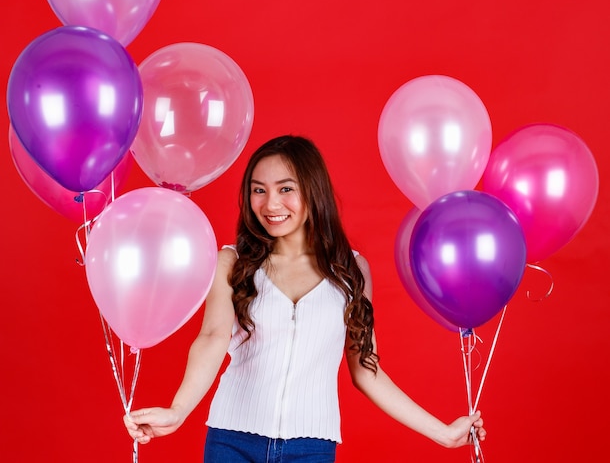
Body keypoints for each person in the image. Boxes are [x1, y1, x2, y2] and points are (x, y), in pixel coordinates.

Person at [124, 135, 486, 462]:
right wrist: (178, 410)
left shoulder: (352, 271)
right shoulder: (232, 262)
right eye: (258, 190)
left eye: (285, 189)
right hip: (231, 441)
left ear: (313, 191)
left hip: (310, 447)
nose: (270, 204)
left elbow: (366, 370)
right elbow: (212, 338)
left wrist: (442, 432)